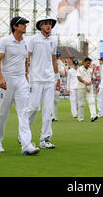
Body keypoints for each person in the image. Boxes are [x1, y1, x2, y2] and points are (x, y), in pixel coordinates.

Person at [0, 16, 39, 155]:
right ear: (15, 27)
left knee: (24, 112)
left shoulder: (25, 43)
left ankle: (26, 145)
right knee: (2, 112)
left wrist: (25, 76)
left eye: (25, 24)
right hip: (6, 80)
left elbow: (25, 59)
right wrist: (0, 78)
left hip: (21, 81)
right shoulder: (5, 41)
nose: (25, 25)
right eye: (22, 24)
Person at [27, 15, 60, 149]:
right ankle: (23, 132)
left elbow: (53, 60)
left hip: (49, 80)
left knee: (48, 110)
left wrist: (57, 78)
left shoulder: (53, 40)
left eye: (50, 24)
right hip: (35, 79)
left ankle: (45, 139)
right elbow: (26, 57)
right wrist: (25, 75)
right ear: (40, 26)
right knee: (34, 107)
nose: (48, 26)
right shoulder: (33, 39)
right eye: (46, 24)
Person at [77, 57, 98, 122]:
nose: (88, 64)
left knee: (92, 101)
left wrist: (91, 82)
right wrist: (84, 82)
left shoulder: (91, 70)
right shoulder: (80, 69)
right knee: (81, 103)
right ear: (84, 62)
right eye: (87, 63)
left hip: (89, 88)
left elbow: (93, 79)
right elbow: (78, 77)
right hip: (81, 88)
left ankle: (93, 116)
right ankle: (80, 117)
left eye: (89, 63)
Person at [52, 51, 66, 122]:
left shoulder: (60, 62)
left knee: (56, 99)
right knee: (50, 98)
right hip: (50, 80)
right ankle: (51, 116)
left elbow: (63, 72)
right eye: (56, 56)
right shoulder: (50, 61)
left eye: (58, 56)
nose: (57, 57)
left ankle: (55, 116)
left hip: (57, 80)